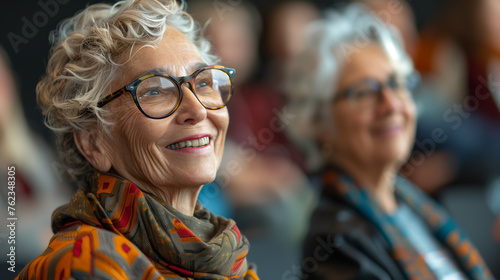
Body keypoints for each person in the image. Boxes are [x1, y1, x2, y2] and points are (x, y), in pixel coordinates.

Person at [16, 0, 259, 279]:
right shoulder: (82, 267)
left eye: (203, 83)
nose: (198, 109)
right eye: (155, 91)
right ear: (93, 143)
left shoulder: (225, 254)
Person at [284, 4, 494, 279]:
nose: (391, 104)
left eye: (397, 84)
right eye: (365, 93)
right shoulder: (337, 243)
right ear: (320, 122)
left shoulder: (413, 205)